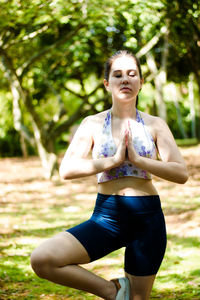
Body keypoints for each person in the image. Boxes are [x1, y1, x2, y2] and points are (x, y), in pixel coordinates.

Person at [31, 50, 188, 300]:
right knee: (43, 259)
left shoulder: (155, 124)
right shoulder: (92, 123)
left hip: (147, 219)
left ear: (141, 81)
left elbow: (181, 173)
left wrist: (139, 160)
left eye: (131, 74)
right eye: (118, 75)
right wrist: (113, 160)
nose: (125, 79)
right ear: (107, 83)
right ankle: (113, 291)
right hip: (107, 217)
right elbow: (67, 169)